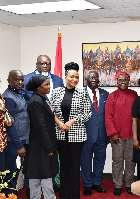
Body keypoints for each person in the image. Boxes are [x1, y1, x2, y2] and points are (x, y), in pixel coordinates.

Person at [50, 62, 92, 199]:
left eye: (77, 77)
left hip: (77, 136)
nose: (75, 80)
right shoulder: (57, 92)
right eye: (72, 76)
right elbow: (51, 111)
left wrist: (72, 121)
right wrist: (59, 123)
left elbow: (87, 113)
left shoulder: (82, 93)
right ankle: (63, 195)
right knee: (64, 167)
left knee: (74, 168)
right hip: (60, 135)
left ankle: (74, 195)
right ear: (65, 77)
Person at [23, 74, 58, 199]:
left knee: (38, 175)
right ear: (38, 88)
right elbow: (40, 127)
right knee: (41, 177)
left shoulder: (42, 98)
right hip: (40, 146)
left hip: (42, 145)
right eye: (46, 85)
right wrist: (49, 148)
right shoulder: (35, 102)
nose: (49, 87)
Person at [105, 71, 138, 196]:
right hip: (117, 136)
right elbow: (108, 116)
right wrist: (113, 132)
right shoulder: (112, 96)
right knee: (117, 161)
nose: (122, 82)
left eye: (125, 80)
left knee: (130, 161)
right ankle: (118, 184)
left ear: (128, 81)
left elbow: (137, 115)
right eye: (120, 80)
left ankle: (129, 183)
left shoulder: (134, 95)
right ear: (116, 81)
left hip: (131, 135)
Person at [81, 70, 109, 196]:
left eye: (96, 78)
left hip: (102, 135)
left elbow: (109, 115)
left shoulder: (105, 94)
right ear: (86, 79)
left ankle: (97, 183)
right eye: (91, 77)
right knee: (85, 160)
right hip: (85, 135)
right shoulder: (80, 94)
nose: (94, 80)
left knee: (100, 160)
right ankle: (87, 184)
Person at [2, 70, 30, 196]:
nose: (20, 82)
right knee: (11, 173)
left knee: (17, 171)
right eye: (16, 80)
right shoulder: (9, 97)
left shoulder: (19, 93)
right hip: (13, 143)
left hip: (22, 139)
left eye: (22, 80)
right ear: (9, 80)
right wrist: (19, 146)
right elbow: (10, 124)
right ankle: (10, 196)